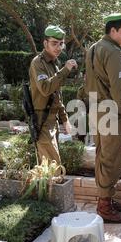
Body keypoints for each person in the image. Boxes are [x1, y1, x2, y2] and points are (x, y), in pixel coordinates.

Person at [85, 13, 121, 223]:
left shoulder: (94, 48)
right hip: (113, 113)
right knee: (111, 159)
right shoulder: (113, 52)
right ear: (112, 31)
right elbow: (119, 88)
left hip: (97, 110)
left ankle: (106, 199)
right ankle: (105, 206)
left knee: (102, 157)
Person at [28, 25, 78, 165]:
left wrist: (65, 120)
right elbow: (46, 88)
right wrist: (65, 70)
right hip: (42, 121)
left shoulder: (54, 64)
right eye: (54, 43)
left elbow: (56, 96)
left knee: (48, 170)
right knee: (53, 167)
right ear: (45, 43)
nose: (58, 47)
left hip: (52, 121)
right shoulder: (38, 63)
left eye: (61, 44)